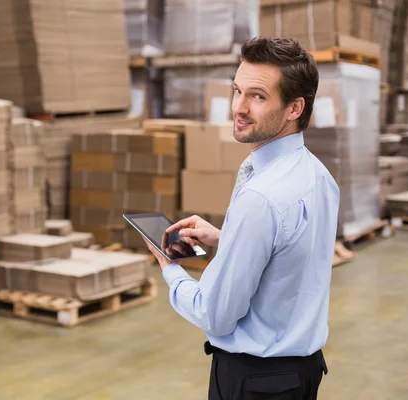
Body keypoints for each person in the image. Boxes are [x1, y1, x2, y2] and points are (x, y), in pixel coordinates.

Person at [143, 37, 340, 399]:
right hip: (302, 372)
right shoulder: (317, 175)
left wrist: (169, 267)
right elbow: (295, 253)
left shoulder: (260, 198)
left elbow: (217, 315)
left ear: (295, 107)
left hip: (256, 382)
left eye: (258, 96)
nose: (239, 107)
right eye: (237, 91)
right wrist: (227, 238)